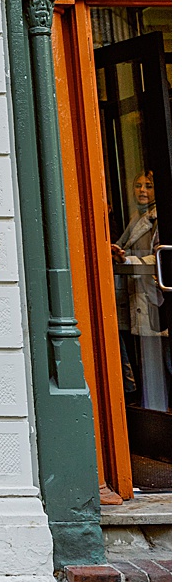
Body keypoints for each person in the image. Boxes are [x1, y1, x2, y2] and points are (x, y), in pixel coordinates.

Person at [115, 171, 167, 413]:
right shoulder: (138, 216)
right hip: (136, 294)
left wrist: (127, 261)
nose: (142, 190)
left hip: (155, 295)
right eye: (138, 185)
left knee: (163, 356)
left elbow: (161, 256)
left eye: (149, 186)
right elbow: (123, 245)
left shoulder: (160, 216)